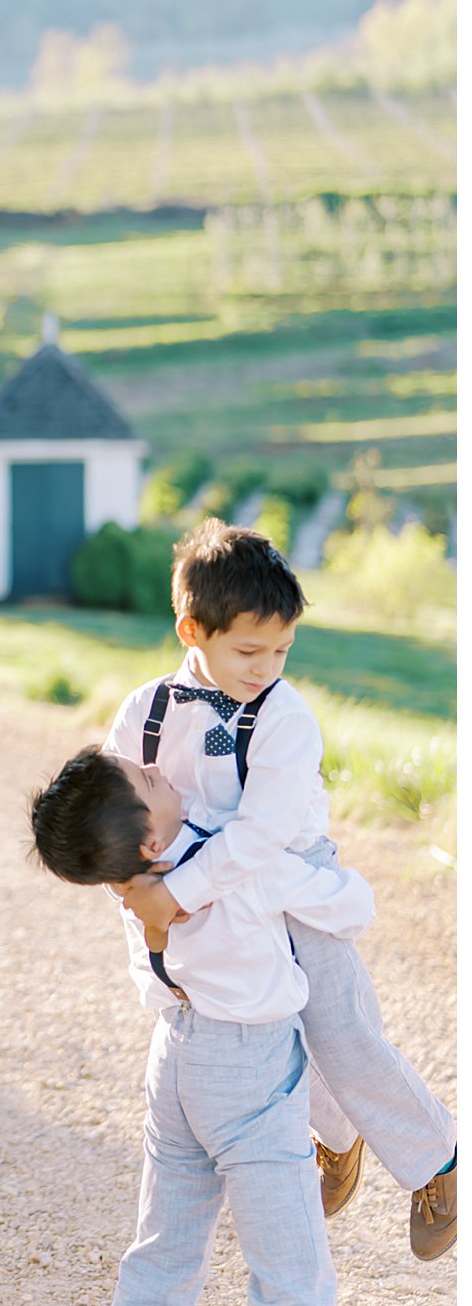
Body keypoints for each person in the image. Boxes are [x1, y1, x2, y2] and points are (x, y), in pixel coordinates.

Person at [29, 746, 424, 1306]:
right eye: (147, 782)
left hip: (173, 1061)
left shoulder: (132, 888)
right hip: (249, 1069)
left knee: (161, 1253)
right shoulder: (229, 865)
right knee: (291, 1281)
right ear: (143, 840)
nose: (165, 774)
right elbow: (351, 908)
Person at [106, 519, 455, 1260]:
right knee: (262, 1030)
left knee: (340, 1031)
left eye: (283, 650)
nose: (268, 666)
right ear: (192, 629)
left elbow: (260, 838)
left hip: (290, 884)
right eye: (249, 650)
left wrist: (182, 893)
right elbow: (112, 798)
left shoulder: (284, 715)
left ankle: (437, 1161)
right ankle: (336, 1136)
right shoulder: (147, 710)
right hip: (200, 903)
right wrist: (129, 877)